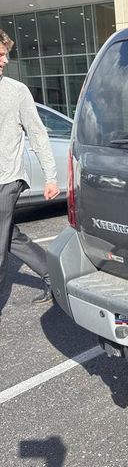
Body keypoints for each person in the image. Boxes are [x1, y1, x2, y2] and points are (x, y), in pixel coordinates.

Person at [0, 29, 60, 307]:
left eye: (6, 55)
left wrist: (51, 176)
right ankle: (53, 272)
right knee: (9, 236)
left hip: (7, 179)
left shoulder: (16, 91)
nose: (4, 61)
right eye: (0, 54)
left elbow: (37, 133)